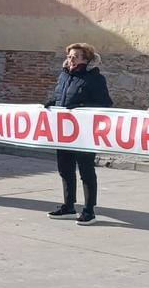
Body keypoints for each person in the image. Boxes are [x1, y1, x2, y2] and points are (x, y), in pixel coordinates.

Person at [44, 43, 113, 225]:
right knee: (65, 169)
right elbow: (62, 96)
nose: (71, 59)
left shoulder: (95, 79)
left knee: (86, 171)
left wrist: (82, 107)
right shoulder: (64, 76)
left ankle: (89, 210)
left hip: (84, 133)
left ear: (86, 59)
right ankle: (68, 206)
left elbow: (105, 104)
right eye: (69, 56)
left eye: (75, 56)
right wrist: (53, 102)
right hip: (64, 131)